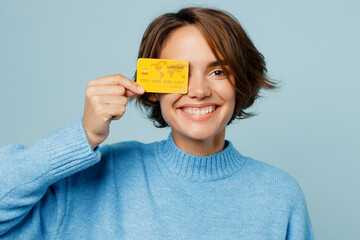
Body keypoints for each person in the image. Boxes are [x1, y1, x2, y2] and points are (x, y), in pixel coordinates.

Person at [0, 7, 314, 240]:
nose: (200, 91)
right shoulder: (94, 180)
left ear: (239, 84)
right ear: (153, 90)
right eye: (180, 73)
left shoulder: (279, 195)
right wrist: (83, 135)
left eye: (218, 72)